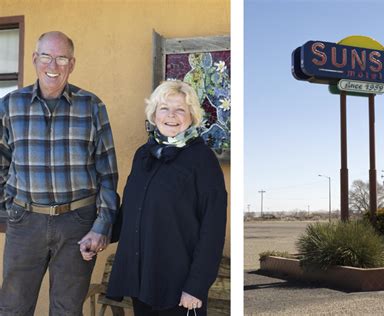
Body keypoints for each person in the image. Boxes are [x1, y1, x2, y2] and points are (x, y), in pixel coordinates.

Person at [0, 31, 119, 315]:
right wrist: (11, 210)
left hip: (77, 223)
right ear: (34, 59)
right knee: (12, 308)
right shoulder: (9, 106)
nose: (53, 66)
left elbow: (107, 173)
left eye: (62, 58)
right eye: (46, 56)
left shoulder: (91, 106)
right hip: (25, 222)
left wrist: (101, 224)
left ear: (72, 63)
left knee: (67, 309)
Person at [107, 80, 227, 316]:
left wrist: (196, 287)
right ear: (153, 114)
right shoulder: (144, 154)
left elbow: (213, 229)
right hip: (143, 281)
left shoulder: (203, 160)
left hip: (180, 287)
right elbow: (130, 210)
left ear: (192, 116)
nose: (171, 115)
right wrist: (99, 234)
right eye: (164, 108)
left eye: (180, 109)